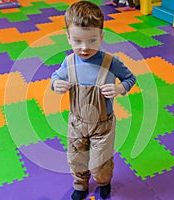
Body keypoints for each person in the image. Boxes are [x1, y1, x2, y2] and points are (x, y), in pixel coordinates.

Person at [50, 1, 136, 199]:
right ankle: (80, 184)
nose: (84, 48)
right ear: (68, 38)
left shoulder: (110, 62)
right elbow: (55, 78)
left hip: (102, 126)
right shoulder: (69, 62)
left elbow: (130, 78)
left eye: (92, 40)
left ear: (101, 36)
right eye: (78, 41)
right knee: (76, 158)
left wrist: (119, 88)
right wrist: (56, 85)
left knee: (100, 162)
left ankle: (104, 181)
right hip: (76, 122)